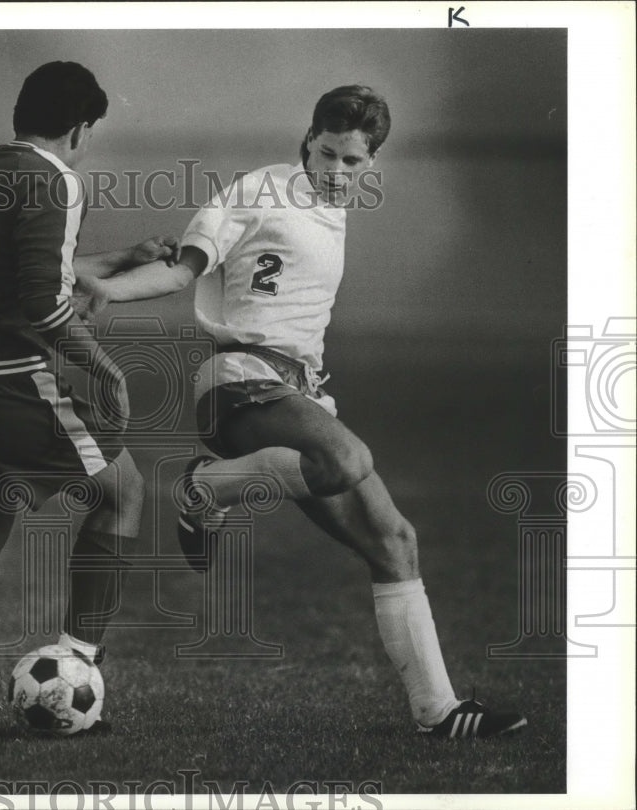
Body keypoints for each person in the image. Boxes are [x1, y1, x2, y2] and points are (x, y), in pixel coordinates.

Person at [77, 85, 526, 738]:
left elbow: (279, 278)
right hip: (241, 382)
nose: (337, 171)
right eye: (326, 154)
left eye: (353, 161)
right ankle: (206, 486)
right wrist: (106, 290)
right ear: (307, 140)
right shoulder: (258, 193)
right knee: (345, 458)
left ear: (371, 162)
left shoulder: (330, 205)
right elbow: (182, 271)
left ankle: (440, 711)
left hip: (300, 390)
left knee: (397, 542)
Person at [0, 61, 178, 733]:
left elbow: (5, 271)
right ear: (80, 129)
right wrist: (107, 370)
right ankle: (78, 664)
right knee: (124, 489)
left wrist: (119, 260)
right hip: (1, 387)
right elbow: (45, 307)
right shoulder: (57, 180)